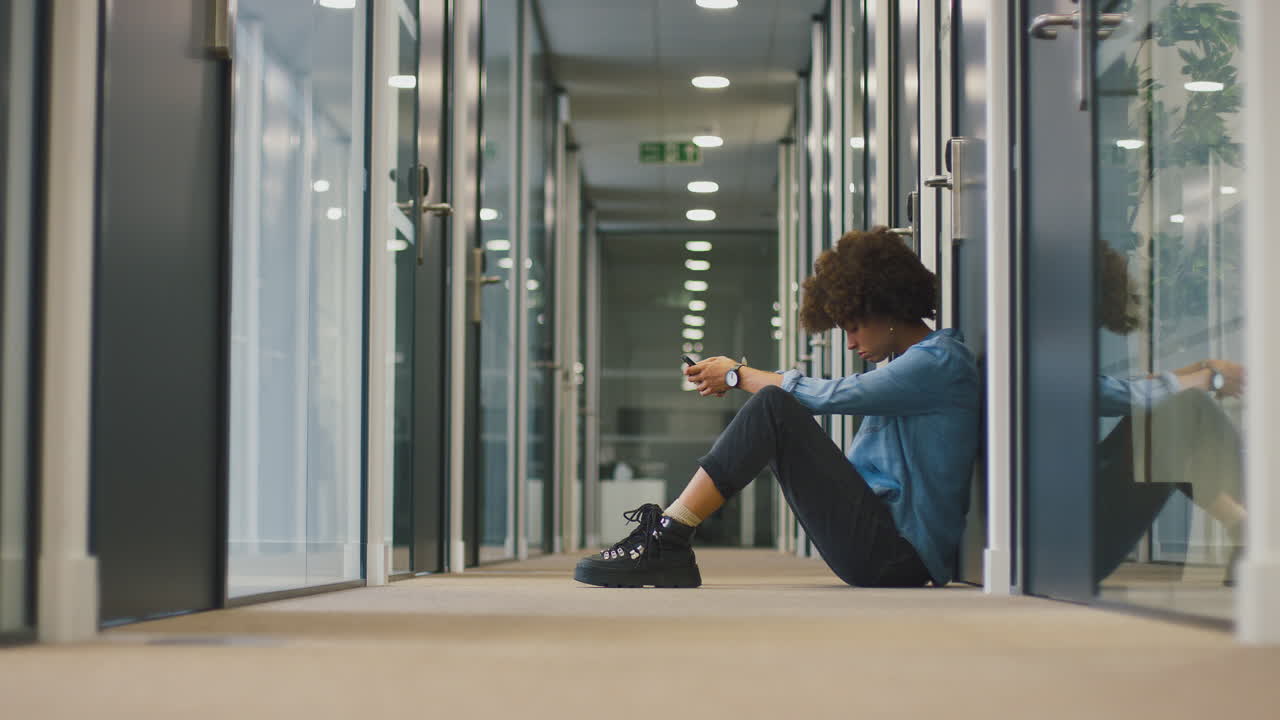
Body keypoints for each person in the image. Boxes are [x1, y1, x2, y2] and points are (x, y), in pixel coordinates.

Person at [573, 227, 982, 589]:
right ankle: (669, 534)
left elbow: (831, 396)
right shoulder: (919, 367)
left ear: (888, 308)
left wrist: (736, 374)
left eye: (854, 327)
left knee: (772, 405)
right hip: (879, 544)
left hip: (898, 556)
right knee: (772, 406)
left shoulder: (939, 363)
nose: (851, 344)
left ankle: (669, 535)